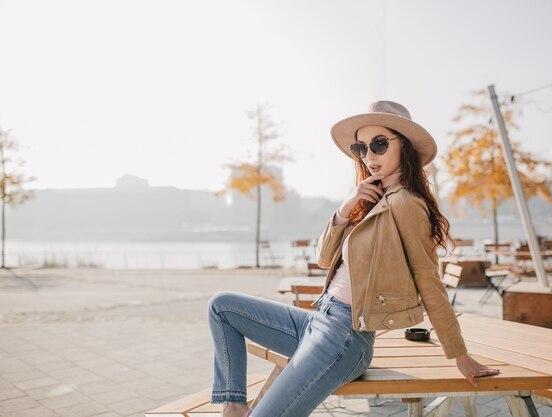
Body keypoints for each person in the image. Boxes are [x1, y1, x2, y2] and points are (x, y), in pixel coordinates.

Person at [207, 100, 500, 417]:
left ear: (405, 146)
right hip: (316, 321)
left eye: (379, 144)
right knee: (221, 306)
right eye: (362, 148)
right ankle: (234, 406)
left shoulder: (405, 203)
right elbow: (323, 259)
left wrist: (459, 354)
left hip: (343, 337)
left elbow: (429, 281)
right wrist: (344, 210)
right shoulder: (370, 198)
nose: (370, 156)